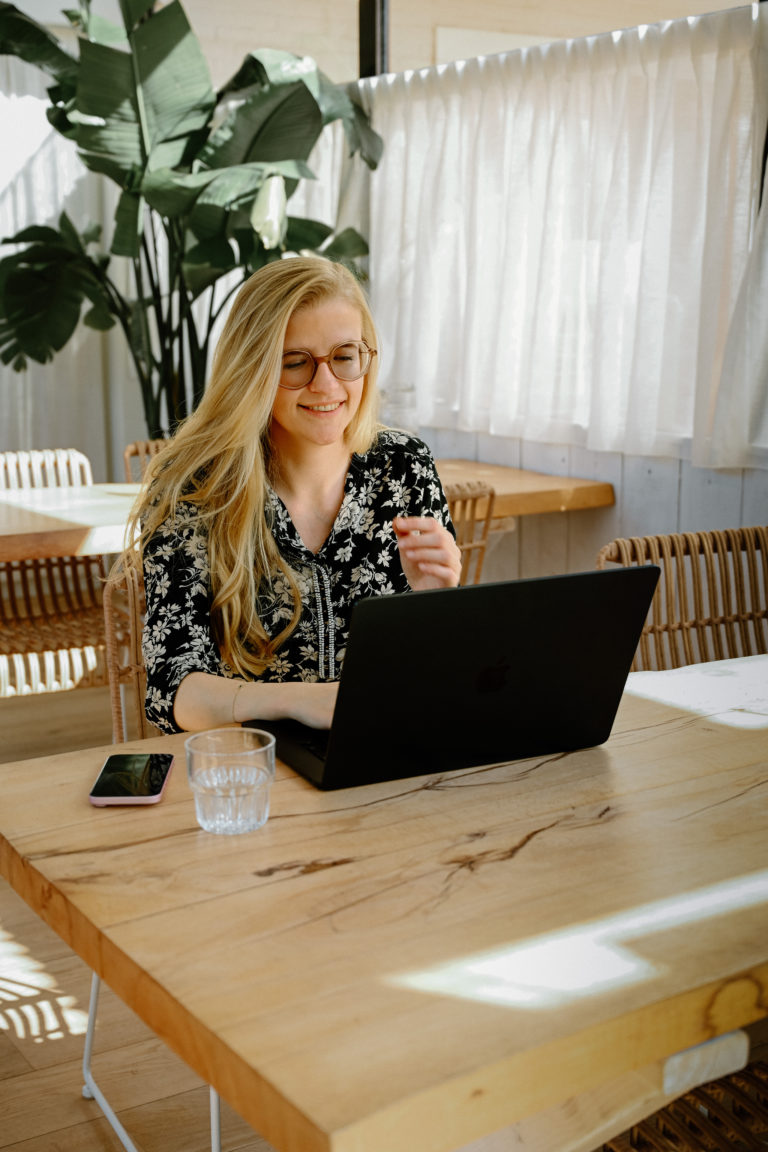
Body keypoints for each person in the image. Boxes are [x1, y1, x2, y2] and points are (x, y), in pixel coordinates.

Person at [126, 255, 461, 735]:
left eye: (344, 357)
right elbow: (172, 690)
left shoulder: (404, 465)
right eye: (295, 363)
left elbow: (437, 675)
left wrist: (435, 603)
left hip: (384, 750)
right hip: (248, 763)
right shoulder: (193, 489)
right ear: (253, 370)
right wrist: (303, 701)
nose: (326, 385)